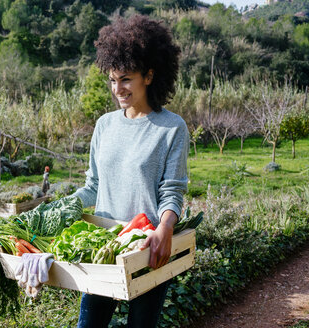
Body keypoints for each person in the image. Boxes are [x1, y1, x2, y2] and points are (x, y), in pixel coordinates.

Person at [71, 14, 188, 328]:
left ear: (148, 76)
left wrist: (164, 228)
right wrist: (61, 208)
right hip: (105, 247)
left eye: (125, 78)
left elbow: (172, 191)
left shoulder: (171, 128)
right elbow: (92, 186)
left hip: (145, 248)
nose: (117, 88)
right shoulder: (105, 125)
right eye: (112, 79)